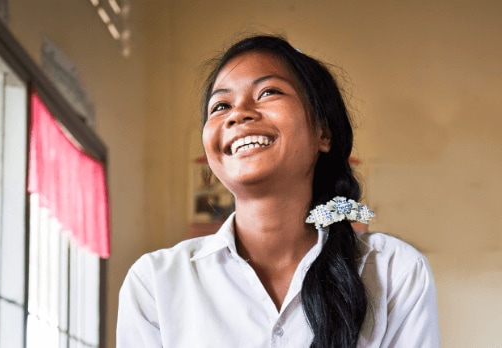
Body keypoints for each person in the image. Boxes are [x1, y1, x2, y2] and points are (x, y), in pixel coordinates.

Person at [116, 35, 439, 347]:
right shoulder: (156, 281)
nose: (238, 113)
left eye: (268, 92)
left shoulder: (391, 269)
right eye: (220, 106)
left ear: (322, 132)